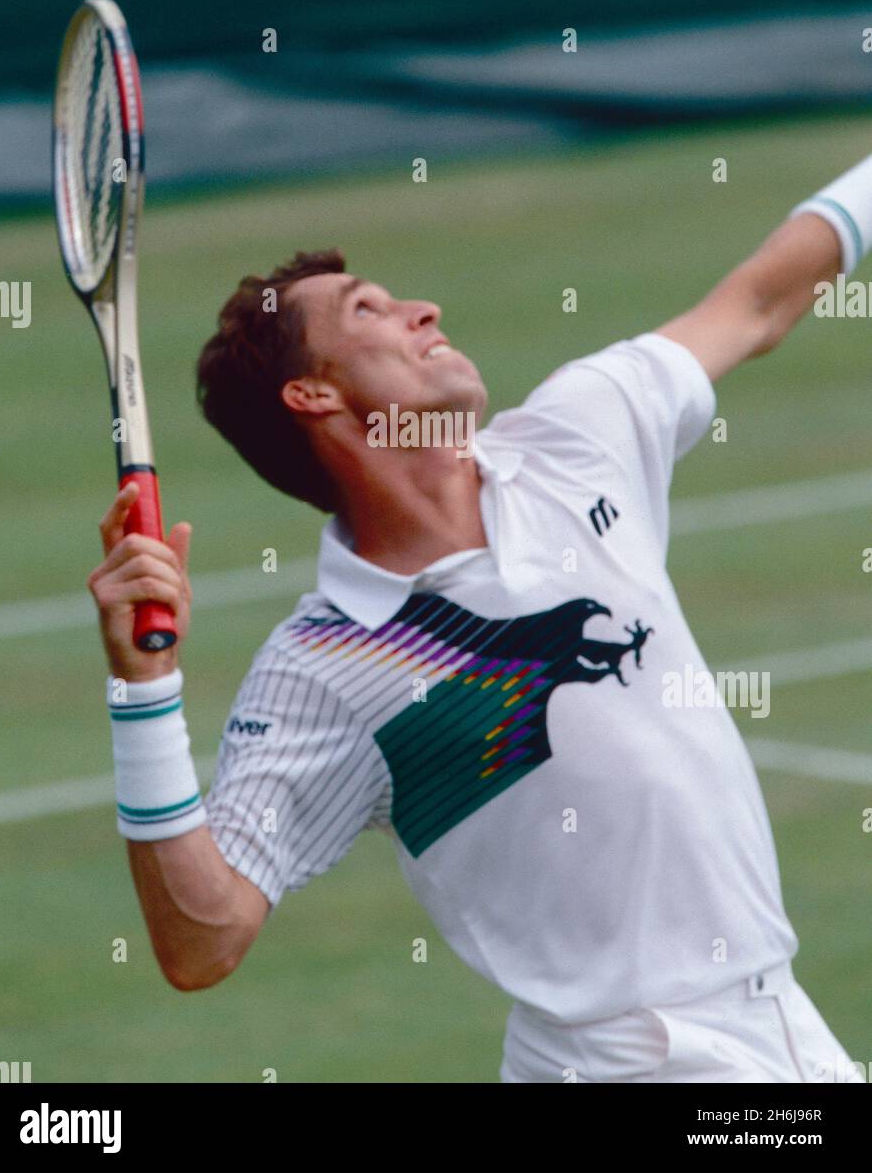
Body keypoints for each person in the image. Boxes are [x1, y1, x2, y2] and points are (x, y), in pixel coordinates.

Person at [87, 154, 871, 1083]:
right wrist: (144, 694)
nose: (423, 311)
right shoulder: (328, 667)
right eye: (368, 312)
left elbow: (757, 303)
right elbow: (202, 940)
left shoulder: (579, 438)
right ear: (316, 395)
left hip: (780, 1029)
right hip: (633, 1065)